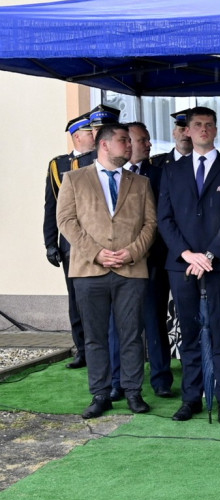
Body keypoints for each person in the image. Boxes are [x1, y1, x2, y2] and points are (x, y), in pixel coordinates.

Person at [56, 123, 157, 419]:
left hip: (131, 270)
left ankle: (133, 392)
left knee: (132, 335)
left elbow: (151, 224)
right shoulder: (74, 179)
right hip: (89, 271)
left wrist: (132, 252)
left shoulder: (140, 183)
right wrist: (97, 253)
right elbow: (66, 222)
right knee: (95, 337)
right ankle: (100, 395)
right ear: (104, 145)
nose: (129, 146)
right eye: (123, 140)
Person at [157, 106, 220, 423]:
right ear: (187, 131)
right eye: (197, 125)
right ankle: (191, 398)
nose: (203, 129)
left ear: (215, 130)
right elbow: (164, 219)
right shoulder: (171, 171)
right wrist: (187, 254)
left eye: (209, 124)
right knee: (190, 334)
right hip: (181, 265)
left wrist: (209, 255)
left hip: (219, 266)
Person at [119, 122, 173, 399]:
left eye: (149, 140)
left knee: (154, 320)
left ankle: (161, 377)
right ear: (126, 142)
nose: (148, 145)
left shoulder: (159, 174)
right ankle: (120, 380)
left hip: (152, 261)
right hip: (118, 262)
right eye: (142, 140)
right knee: (120, 324)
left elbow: (162, 219)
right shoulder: (111, 176)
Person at [44, 110, 96, 369]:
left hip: (97, 242)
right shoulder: (58, 165)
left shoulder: (101, 159)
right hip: (70, 245)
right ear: (77, 137)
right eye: (89, 132)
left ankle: (102, 350)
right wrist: (50, 243)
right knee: (75, 298)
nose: (95, 135)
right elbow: (51, 206)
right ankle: (82, 350)